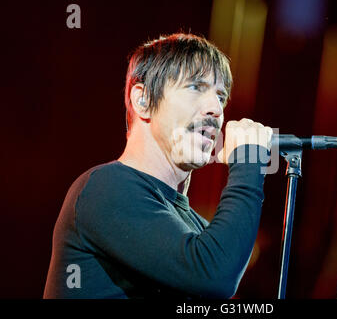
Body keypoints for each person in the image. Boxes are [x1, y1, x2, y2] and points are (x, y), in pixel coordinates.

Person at [43, 33, 273, 299]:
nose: (216, 110)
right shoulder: (103, 188)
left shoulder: (195, 229)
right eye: (196, 87)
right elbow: (213, 276)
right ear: (143, 99)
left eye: (221, 97)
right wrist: (247, 165)